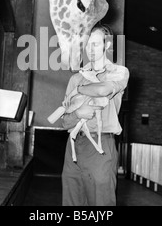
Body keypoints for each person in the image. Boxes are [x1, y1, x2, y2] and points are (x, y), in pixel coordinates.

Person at [60, 23, 129, 206]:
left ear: (107, 45)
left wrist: (79, 90)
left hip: (100, 146)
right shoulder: (75, 78)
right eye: (87, 44)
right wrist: (78, 113)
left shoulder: (118, 72)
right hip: (73, 147)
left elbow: (103, 90)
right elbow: (65, 122)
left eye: (96, 44)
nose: (90, 49)